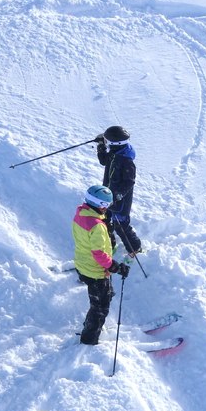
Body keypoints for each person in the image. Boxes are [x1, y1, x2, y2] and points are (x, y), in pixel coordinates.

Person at [72, 185, 130, 345]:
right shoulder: (97, 225)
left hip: (83, 264)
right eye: (106, 205)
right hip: (95, 271)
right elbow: (98, 253)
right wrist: (114, 266)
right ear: (100, 205)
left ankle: (90, 325)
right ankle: (89, 340)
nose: (107, 208)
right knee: (100, 308)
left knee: (101, 298)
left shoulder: (81, 214)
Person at [95, 125, 142, 256]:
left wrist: (117, 196)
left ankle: (135, 249)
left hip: (120, 200)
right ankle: (110, 244)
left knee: (120, 225)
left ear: (115, 143)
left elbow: (129, 182)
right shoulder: (115, 152)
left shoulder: (126, 161)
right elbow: (104, 161)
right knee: (104, 220)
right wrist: (101, 146)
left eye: (106, 140)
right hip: (107, 195)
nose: (105, 142)